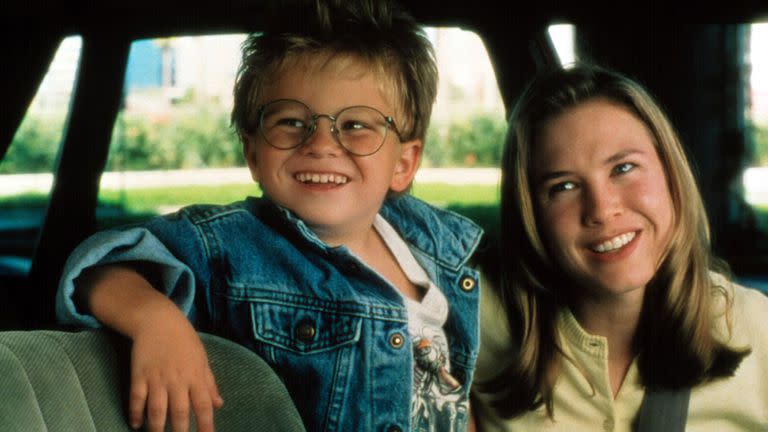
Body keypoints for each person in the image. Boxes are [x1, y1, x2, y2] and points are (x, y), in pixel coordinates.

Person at [55, 1, 484, 431]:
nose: (321, 142)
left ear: (403, 164)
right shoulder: (230, 245)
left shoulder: (434, 253)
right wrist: (156, 321)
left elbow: (446, 395)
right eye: (291, 122)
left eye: (356, 125)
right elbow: (102, 267)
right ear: (254, 154)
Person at [471, 64, 768, 431]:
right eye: (563, 187)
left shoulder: (757, 328)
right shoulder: (476, 322)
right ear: (532, 214)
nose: (601, 209)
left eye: (623, 168)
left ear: (670, 172)